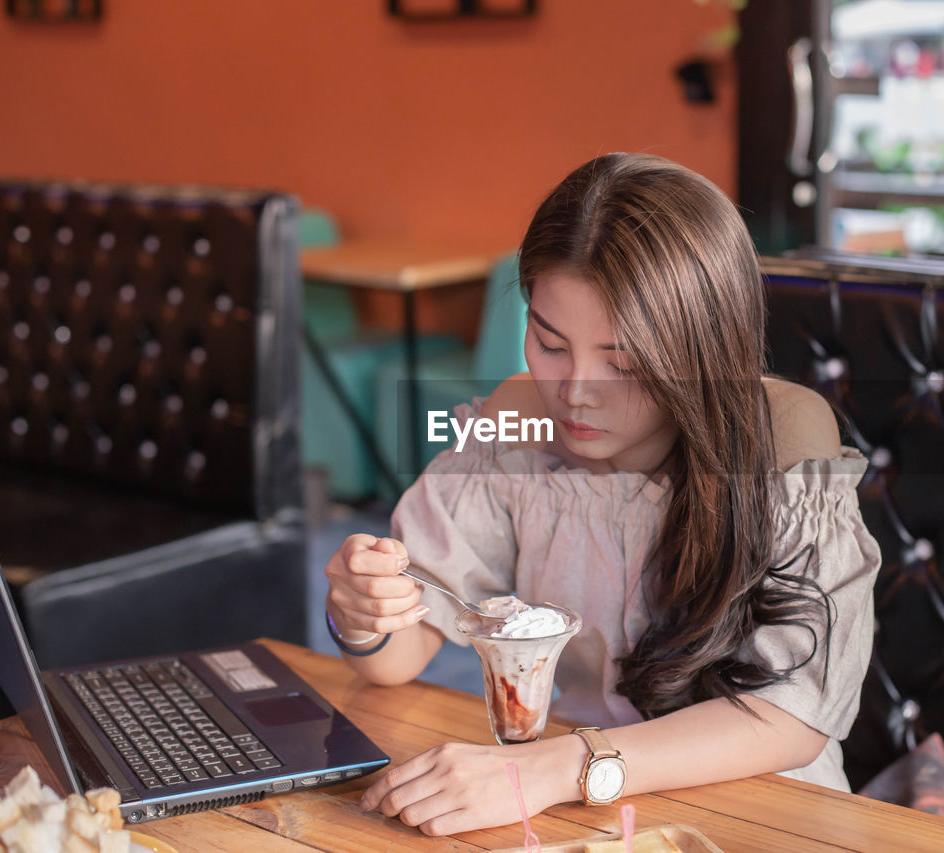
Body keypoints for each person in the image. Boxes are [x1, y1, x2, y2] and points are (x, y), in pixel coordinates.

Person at [324, 153, 881, 836]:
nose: (575, 390)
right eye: (550, 343)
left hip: (762, 811)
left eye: (623, 362)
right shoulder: (519, 424)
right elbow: (399, 652)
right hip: (582, 810)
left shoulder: (784, 442)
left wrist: (557, 768)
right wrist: (364, 612)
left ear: (704, 350)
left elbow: (791, 718)